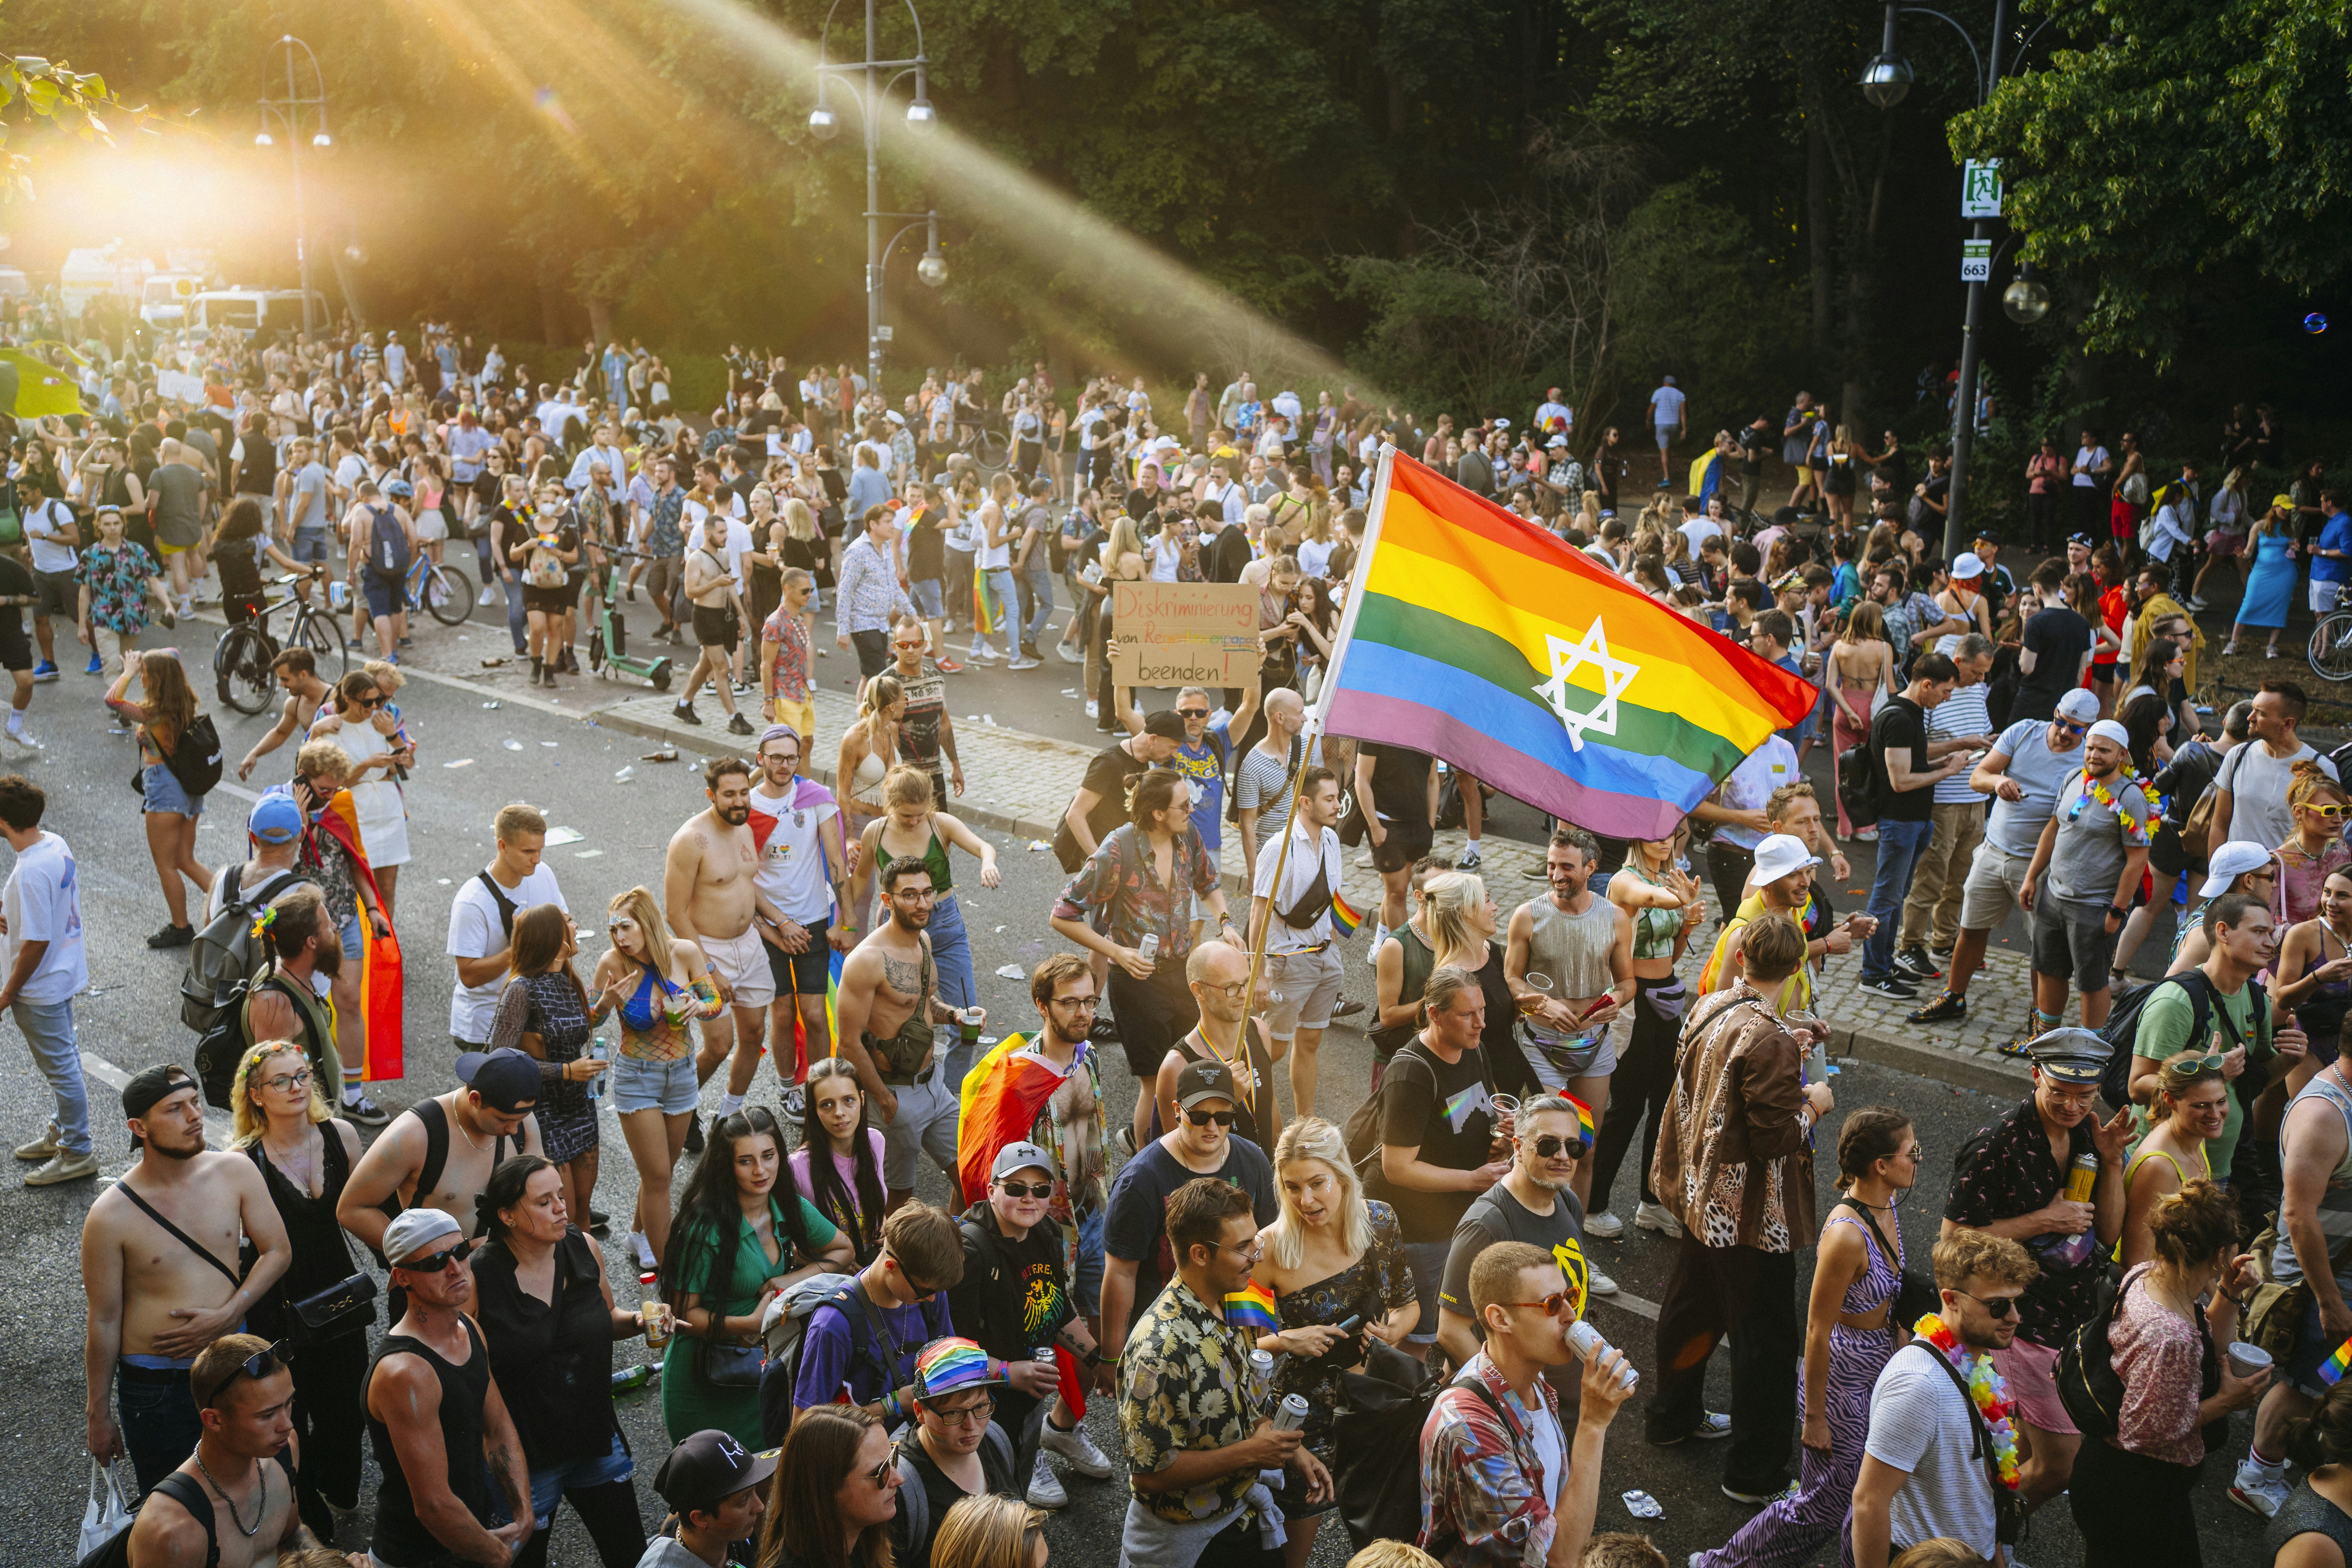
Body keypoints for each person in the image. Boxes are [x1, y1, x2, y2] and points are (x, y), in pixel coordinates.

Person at [1647, 913, 1825, 1498]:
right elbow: (1775, 1138)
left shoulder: (1712, 1005)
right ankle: (1754, 1472)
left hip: (1699, 1195)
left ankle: (1671, 1417)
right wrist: (1815, 1104)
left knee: (1692, 1306)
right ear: (1796, 967)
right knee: (1765, 1341)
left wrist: (1791, 1043)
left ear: (1742, 955)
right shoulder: (1769, 1039)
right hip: (1749, 1217)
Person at [1693, 1108, 1916, 1568]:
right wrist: (1814, 1418)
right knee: (1822, 1505)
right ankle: (1722, 1564)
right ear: (1881, 1165)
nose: (1917, 1160)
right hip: (1842, 1383)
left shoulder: (1887, 1204)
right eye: (1911, 1153)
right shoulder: (1847, 1237)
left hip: (1878, 1370)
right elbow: (1817, 1329)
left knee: (1868, 1497)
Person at [1940, 1028, 2136, 1509]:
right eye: (2060, 1093)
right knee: (2059, 1465)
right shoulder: (1996, 1144)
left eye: (2086, 1096)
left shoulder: (2088, 1132)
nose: (2073, 1106)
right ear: (2035, 1075)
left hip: (2072, 1316)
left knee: (2018, 1454)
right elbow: (1952, 1240)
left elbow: (2108, 1233)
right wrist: (2045, 1219)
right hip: (2023, 1321)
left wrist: (2112, 1162)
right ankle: (1981, 1531)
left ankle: (1988, 1534)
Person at [82, 1064, 292, 1497]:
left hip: (236, 1369)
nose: (195, 1116)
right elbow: (103, 1319)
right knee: (176, 1503)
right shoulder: (109, 1215)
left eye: (195, 1102)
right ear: (139, 1128)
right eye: (175, 1109)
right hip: (156, 1386)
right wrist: (97, 1414)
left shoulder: (235, 1171)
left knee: (260, 1489)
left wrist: (228, 1314)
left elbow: (278, 1251)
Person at [1119, 1176, 1332, 1566]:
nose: (1257, 1256)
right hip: (1187, 1542)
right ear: (1200, 1254)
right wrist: (1252, 1453)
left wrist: (1292, 1451)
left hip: (1238, 1516)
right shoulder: (1158, 1350)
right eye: (1243, 1247)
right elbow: (1150, 1474)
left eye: (1256, 1241)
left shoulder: (1234, 1299)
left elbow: (1244, 1397)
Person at [2071, 1178, 2267, 1565]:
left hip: (2118, 1481)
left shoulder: (2147, 1274)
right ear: (2222, 1253)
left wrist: (2229, 1290)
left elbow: (2209, 1340)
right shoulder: (2172, 1338)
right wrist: (2227, 1401)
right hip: (2134, 1494)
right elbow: (2144, 1431)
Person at [1247, 1117, 1416, 1566]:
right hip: (1306, 1421)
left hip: (1375, 1408)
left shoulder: (1380, 1220)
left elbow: (1409, 1305)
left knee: (1387, 1547)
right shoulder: (1268, 1249)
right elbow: (1237, 1349)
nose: (1306, 1200)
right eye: (1292, 1186)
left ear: (1341, 1174)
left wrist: (1393, 1331)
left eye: (1317, 1183)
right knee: (1291, 1555)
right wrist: (1286, 1340)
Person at [472, 1154, 652, 1567]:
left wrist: (642, 1321)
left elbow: (608, 1317)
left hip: (594, 1439)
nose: (561, 1208)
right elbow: (468, 1372)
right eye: (544, 1201)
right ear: (507, 1215)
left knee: (630, 1557)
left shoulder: (583, 1247)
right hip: (527, 1458)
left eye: (560, 1196)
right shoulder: (479, 1277)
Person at [1418, 1240, 1636, 1568]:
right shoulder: (1468, 1431)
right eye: (1552, 1304)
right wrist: (1593, 1425)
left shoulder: (1530, 1379)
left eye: (1570, 1297)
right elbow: (1558, 1558)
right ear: (1500, 1319)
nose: (1571, 1315)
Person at [1052, 767, 1238, 1150]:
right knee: (1155, 1083)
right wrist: (1117, 952)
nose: (1192, 810)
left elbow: (1208, 883)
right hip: (1137, 984)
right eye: (1184, 805)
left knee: (1193, 1071)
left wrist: (1226, 922)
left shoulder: (1188, 836)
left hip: (1184, 975)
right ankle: (1150, 1159)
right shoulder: (1118, 848)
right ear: (1158, 812)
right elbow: (1062, 914)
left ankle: (1191, 1155)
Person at [230, 1038, 368, 1543]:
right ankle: (308, 1516)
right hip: (279, 1306)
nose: (296, 1087)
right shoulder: (244, 1161)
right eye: (281, 1081)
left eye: (303, 1075)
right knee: (291, 1416)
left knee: (348, 1411)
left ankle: (337, 1486)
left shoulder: (341, 1135)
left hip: (340, 1298)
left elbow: (368, 1206)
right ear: (256, 1095)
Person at [1843, 1229, 2039, 1568]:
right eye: (1997, 1306)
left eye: (2017, 1302)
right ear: (1951, 1300)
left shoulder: (1975, 1364)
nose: (2014, 1317)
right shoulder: (1918, 1387)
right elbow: (1869, 1502)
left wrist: (1995, 1556)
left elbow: (1981, 1482)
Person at [1907, 686, 2102, 1029]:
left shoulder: (2087, 760)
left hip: (2039, 866)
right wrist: (1998, 782)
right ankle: (1954, 996)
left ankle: (2040, 1021)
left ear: (2089, 728)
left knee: (2043, 947)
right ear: (2055, 712)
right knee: (1970, 928)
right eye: (2060, 722)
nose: (2064, 732)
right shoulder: (2024, 732)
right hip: (1994, 850)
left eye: (2075, 729)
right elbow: (1977, 777)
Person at [662, 1105, 850, 1446]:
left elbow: (844, 1251)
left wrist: (790, 1280)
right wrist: (750, 1323)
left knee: (769, 1471)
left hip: (762, 1372)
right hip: (704, 1382)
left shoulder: (788, 1206)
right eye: (745, 1161)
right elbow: (683, 1314)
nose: (761, 1170)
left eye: (768, 1156)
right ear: (726, 1166)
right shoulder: (703, 1228)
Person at [366, 1207, 535, 1568]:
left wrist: (524, 1515)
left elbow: (498, 1427)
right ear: (403, 1277)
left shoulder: (468, 1329)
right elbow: (434, 1505)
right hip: (414, 1556)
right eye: (435, 1263)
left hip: (472, 1534)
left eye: (460, 1251)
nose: (456, 1268)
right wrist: (497, 1556)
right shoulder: (406, 1374)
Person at [949, 1141, 1112, 1508]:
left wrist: (1098, 1361)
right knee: (989, 1501)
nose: (1029, 1199)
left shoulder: (1047, 1233)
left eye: (1040, 1190)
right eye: (1015, 1188)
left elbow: (1055, 1306)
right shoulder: (970, 1253)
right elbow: (947, 1349)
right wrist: (1008, 1373)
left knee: (1017, 1487)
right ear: (991, 1191)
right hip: (980, 1409)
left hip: (1026, 1397)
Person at [1102, 1058, 1279, 1366]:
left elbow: (1267, 1247)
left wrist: (1258, 1336)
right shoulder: (1140, 1181)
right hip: (1166, 1343)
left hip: (1237, 1335)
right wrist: (1111, 1358)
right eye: (1199, 1116)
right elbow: (1121, 1273)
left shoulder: (1253, 1160)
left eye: (1223, 1116)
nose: (1212, 1127)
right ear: (1176, 1110)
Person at [1373, 965, 1514, 1348]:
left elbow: (1477, 1108)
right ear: (1435, 1014)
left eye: (1482, 1010)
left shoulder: (1474, 1048)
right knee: (1419, 1339)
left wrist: (1501, 1131)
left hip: (1462, 1217)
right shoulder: (1411, 1075)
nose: (1481, 1023)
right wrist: (1471, 1179)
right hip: (1421, 1230)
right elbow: (1396, 1168)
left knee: (1463, 1323)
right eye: (1468, 1014)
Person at [592, 885, 724, 1274]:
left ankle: (639, 1234)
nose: (619, 937)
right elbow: (588, 1020)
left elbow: (715, 1001)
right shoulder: (611, 964)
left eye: (626, 927)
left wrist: (700, 1006)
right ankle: (668, 1267)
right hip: (637, 1078)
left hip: (682, 1075)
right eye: (614, 929)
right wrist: (605, 1004)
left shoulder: (684, 953)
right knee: (659, 1176)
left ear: (647, 923)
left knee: (662, 1169)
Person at [1502, 826, 1633, 1207]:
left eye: (1567, 867)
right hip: (1542, 1047)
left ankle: (1574, 1232)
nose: (1557, 875)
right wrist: (1542, 1004)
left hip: (1594, 1047)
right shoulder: (1527, 916)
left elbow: (1628, 982)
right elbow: (1511, 978)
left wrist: (1617, 1000)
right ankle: (1533, 1226)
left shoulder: (1615, 918)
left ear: (1590, 867)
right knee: (1544, 1148)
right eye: (1551, 866)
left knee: (1584, 1149)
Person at [339, 1047, 547, 1281]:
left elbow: (541, 1195)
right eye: (504, 1120)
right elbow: (352, 1210)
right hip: (440, 1280)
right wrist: (430, 1258)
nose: (514, 1130)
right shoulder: (415, 1135)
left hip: (503, 1272)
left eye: (520, 1120)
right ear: (475, 1099)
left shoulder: (522, 1121)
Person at [1587, 825, 1704, 1240]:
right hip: (1634, 1005)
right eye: (1655, 833)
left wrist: (1686, 925)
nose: (1664, 840)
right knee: (1628, 1106)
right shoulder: (1625, 881)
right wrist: (1682, 901)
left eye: (1671, 833)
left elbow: (1671, 954)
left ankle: (1651, 1203)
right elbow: (1648, 898)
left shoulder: (1670, 880)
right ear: (1636, 836)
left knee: (1665, 1105)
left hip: (1668, 999)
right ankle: (1593, 1205)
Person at [833, 857, 969, 1208]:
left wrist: (955, 1016)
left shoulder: (923, 940)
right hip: (894, 1095)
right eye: (910, 895)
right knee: (898, 1198)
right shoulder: (866, 961)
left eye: (927, 893)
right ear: (887, 900)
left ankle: (957, 1237)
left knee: (972, 1175)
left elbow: (919, 1002)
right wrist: (883, 1100)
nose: (922, 903)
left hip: (934, 1086)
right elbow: (849, 1042)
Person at [851, 764, 998, 1084]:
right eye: (906, 815)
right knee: (899, 1016)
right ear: (890, 804)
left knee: (967, 1019)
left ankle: (951, 1092)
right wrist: (844, 922)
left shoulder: (940, 823)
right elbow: (860, 878)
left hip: (945, 927)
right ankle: (904, 1086)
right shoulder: (875, 831)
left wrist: (987, 863)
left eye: (920, 814)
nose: (914, 821)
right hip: (897, 931)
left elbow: (984, 846)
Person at [665, 757, 786, 1131]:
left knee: (754, 1035)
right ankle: (680, 1112)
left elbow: (743, 886)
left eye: (744, 793)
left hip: (749, 946)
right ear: (711, 795)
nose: (739, 801)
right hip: (707, 950)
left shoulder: (744, 828)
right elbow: (675, 913)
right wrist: (709, 970)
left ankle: (726, 1119)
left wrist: (780, 923)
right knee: (719, 1046)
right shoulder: (690, 841)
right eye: (729, 794)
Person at [122, 1334, 313, 1568]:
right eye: (267, 1415)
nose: (287, 1425)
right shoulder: (171, 1530)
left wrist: (333, 1562)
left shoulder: (285, 1451)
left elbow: (292, 1535)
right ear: (213, 1420)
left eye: (288, 1404)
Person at [1434, 1094, 1594, 1372]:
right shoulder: (1486, 1226)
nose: (1563, 1156)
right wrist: (1512, 1391)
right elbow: (1452, 1332)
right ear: (1518, 1147)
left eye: (1573, 1146)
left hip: (1569, 1376)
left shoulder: (1567, 1201)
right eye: (1548, 1145)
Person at [2019, 718, 2152, 1031]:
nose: (2094, 755)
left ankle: (2090, 1048)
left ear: (2121, 754)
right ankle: (2045, 1040)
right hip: (2053, 896)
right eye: (2090, 748)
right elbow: (2053, 829)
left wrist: (2117, 912)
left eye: (2104, 750)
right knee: (2049, 971)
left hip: (2094, 906)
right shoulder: (2074, 778)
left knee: (2091, 982)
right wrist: (2031, 877)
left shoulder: (2131, 797)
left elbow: (2137, 860)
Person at [1857, 652, 1971, 1000]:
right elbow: (1901, 781)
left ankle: (1884, 962)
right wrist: (1949, 770)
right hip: (1900, 821)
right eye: (1946, 692)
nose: (1947, 699)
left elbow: (1914, 758)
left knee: (1896, 896)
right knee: (1886, 898)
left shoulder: (1912, 712)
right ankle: (1873, 973)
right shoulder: (1900, 717)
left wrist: (1949, 754)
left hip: (1914, 821)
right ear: (1927, 685)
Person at [0, 772, 93, 1185]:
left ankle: (78, 1151)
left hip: (39, 988)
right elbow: (45, 907)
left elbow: (36, 942)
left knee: (62, 1069)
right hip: (62, 972)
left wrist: (7, 994)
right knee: (65, 1060)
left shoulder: (30, 871)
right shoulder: (53, 843)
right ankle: (63, 1131)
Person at [788, 1200, 963, 1415]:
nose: (933, 1299)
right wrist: (891, 1406)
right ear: (891, 1267)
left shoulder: (928, 1294)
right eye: (926, 1291)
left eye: (939, 1290)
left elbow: (947, 1366)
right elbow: (806, 1424)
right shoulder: (832, 1325)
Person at [491, 903, 607, 1226]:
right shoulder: (521, 989)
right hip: (544, 1116)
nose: (576, 925)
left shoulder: (569, 979)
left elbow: (573, 1032)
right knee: (564, 1216)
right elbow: (501, 1059)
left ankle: (585, 1261)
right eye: (569, 921)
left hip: (581, 1109)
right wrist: (566, 1071)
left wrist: (605, 1005)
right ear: (552, 936)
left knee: (583, 1208)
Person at [105, 648, 215, 949]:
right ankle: (232, 903)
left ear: (156, 679)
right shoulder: (185, 703)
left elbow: (112, 700)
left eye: (144, 674)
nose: (141, 677)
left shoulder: (153, 713)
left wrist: (127, 672)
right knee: (185, 860)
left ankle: (181, 927)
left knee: (166, 864)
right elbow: (174, 654)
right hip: (189, 788)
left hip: (165, 789)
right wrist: (154, 661)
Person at [1147, 940, 1282, 1165]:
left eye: (1247, 982)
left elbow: (1270, 1106)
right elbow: (1178, 1156)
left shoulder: (1260, 1031)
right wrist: (1226, 1100)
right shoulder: (1177, 1066)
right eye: (1231, 988)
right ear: (1199, 990)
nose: (1244, 995)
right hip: (1220, 1184)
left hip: (1265, 1174)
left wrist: (1281, 1167)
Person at [893, 1345, 1026, 1568]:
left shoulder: (995, 1439)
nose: (971, 1426)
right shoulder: (898, 1486)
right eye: (953, 1413)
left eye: (981, 1407)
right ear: (920, 1412)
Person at [449, 804, 564, 1051]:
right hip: (486, 1027)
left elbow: (565, 924)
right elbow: (468, 976)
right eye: (528, 851)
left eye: (540, 850)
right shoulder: (472, 901)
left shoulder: (543, 874)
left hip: (534, 1018)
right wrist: (518, 949)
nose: (537, 859)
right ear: (503, 846)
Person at [307, 669, 413, 915]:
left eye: (380, 700)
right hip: (356, 814)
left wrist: (393, 735)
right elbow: (335, 784)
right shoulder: (333, 728)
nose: (375, 707)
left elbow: (407, 764)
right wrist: (367, 765)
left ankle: (386, 938)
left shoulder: (382, 721)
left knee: (388, 889)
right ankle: (363, 936)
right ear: (350, 699)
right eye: (368, 702)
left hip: (389, 809)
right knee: (361, 890)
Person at [2116, 1053, 2231, 1269]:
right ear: (2170, 1101)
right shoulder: (2159, 1167)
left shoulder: (2196, 1134)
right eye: (2201, 1106)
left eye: (2221, 1101)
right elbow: (2136, 1262)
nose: (2215, 1115)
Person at [755, 1403, 902, 1568]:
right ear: (827, 1488)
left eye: (892, 1458)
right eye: (881, 1472)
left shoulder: (866, 1543)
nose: (899, 1479)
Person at [2212, 681, 2336, 853]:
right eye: (2253, 709)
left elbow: (2333, 839)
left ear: (2288, 724)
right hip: (2237, 868)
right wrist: (2217, 867)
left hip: (2290, 869)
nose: (2250, 718)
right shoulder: (2237, 756)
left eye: (2261, 713)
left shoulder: (2321, 768)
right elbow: (2219, 824)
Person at [643, 1428, 779, 1568]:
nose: (760, 1507)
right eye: (744, 1500)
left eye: (754, 1490)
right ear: (700, 1518)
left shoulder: (733, 1533)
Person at [1355, 742, 1439, 949]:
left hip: (1419, 825)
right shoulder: (1375, 732)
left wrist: (1430, 825)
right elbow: (1362, 780)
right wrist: (1375, 827)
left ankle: (1380, 946)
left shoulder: (1429, 733)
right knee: (1397, 893)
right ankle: (1405, 956)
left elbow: (1432, 780)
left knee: (1397, 891)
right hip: (1386, 824)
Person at [677, 512, 755, 734]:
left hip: (723, 615)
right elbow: (690, 592)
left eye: (726, 532)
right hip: (705, 617)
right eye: (721, 533)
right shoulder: (696, 559)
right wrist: (714, 583)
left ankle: (683, 704)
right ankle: (734, 717)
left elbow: (729, 585)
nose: (725, 536)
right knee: (722, 668)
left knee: (706, 664)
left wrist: (741, 614)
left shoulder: (725, 555)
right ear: (707, 533)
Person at [235, 646, 336, 782]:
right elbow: (280, 733)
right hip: (309, 771)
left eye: (285, 679)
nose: (281, 685)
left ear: (303, 675)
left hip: (334, 774)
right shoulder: (294, 703)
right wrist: (254, 753)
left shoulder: (336, 701)